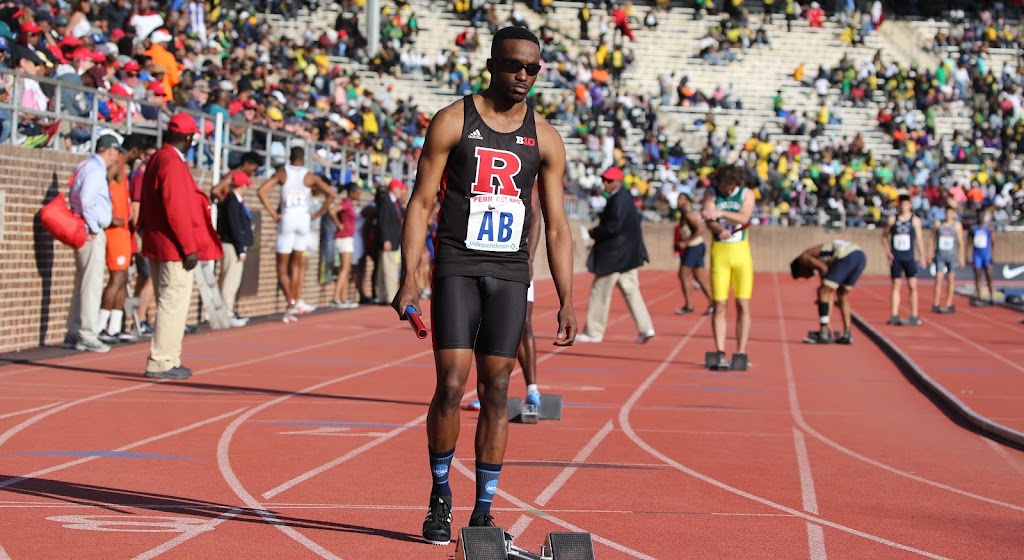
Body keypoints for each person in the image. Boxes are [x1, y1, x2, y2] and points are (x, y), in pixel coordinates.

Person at [390, 26, 577, 546]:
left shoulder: (547, 137)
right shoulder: (453, 121)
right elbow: (421, 202)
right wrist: (410, 277)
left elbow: (558, 225)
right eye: (515, 66)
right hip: (458, 264)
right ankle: (440, 495)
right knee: (451, 385)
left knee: (497, 390)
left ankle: (484, 510)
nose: (524, 77)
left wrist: (565, 298)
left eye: (534, 69)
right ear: (492, 65)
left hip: (512, 272)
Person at [140, 114, 223, 380]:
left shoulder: (159, 158)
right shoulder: (172, 163)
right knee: (173, 301)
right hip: (173, 245)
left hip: (159, 241)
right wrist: (188, 247)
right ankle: (162, 360)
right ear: (188, 137)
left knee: (169, 299)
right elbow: (176, 208)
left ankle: (168, 357)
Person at [468, 199, 543, 412]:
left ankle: (533, 390)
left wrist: (529, 257)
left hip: (515, 261)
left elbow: (536, 215)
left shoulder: (526, 170)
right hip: (482, 259)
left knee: (524, 324)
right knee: (483, 327)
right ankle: (487, 392)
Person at [575, 166, 655, 344]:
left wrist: (592, 232)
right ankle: (646, 327)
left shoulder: (618, 199)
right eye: (604, 179)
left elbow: (614, 227)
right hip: (627, 256)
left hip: (614, 256)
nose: (605, 183)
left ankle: (594, 332)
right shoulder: (625, 198)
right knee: (632, 291)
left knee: (600, 291)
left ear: (618, 181)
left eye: (609, 180)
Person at [256, 146, 335, 321]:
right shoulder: (309, 176)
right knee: (297, 264)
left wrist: (273, 213)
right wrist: (318, 214)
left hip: (288, 218)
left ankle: (291, 301)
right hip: (304, 219)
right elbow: (331, 194)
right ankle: (296, 300)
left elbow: (261, 191)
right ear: (304, 159)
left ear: (289, 157)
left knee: (282, 266)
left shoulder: (282, 173)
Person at [64, 134, 123, 353]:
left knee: (82, 283)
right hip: (90, 232)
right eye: (116, 152)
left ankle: (74, 330)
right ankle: (87, 333)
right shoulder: (96, 169)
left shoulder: (85, 165)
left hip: (84, 228)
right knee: (91, 284)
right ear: (110, 150)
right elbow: (87, 201)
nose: (116, 157)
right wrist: (94, 227)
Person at [701, 164, 755, 370]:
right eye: (726, 186)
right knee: (720, 304)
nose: (729, 190)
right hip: (720, 253)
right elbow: (708, 216)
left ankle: (740, 350)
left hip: (741, 254)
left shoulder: (746, 194)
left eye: (732, 187)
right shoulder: (711, 192)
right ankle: (720, 349)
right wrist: (717, 226)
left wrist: (720, 212)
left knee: (742, 303)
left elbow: (744, 217)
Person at [97, 134, 145, 344]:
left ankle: (115, 327)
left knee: (123, 278)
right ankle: (100, 326)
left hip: (124, 230)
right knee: (117, 278)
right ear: (133, 151)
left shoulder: (123, 170)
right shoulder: (116, 165)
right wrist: (108, 216)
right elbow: (101, 184)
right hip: (116, 230)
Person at [791, 240, 867, 344]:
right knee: (842, 295)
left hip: (846, 256)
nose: (808, 277)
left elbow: (823, 269)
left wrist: (822, 294)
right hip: (860, 256)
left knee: (822, 291)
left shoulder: (803, 258)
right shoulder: (819, 255)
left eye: (803, 276)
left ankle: (823, 332)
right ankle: (847, 334)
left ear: (800, 269)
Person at [217, 171, 255, 327]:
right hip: (232, 245)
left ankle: (226, 310)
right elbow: (235, 227)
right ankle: (227, 313)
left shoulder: (235, 201)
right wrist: (240, 249)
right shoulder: (232, 202)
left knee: (228, 280)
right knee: (230, 281)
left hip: (233, 244)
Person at [882, 193, 926, 325]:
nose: (903, 207)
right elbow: (884, 237)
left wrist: (922, 256)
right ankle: (894, 314)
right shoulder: (892, 220)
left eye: (906, 204)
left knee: (913, 286)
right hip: (897, 257)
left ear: (910, 206)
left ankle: (914, 314)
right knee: (896, 285)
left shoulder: (915, 220)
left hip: (909, 257)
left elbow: (919, 239)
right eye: (901, 205)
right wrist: (888, 252)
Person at [674, 192, 713, 316]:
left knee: (683, 274)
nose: (679, 201)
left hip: (694, 247)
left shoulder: (688, 214)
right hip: (696, 246)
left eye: (682, 198)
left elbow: (700, 229)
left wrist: (686, 242)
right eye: (678, 198)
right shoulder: (683, 214)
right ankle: (714, 303)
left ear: (687, 201)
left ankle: (689, 305)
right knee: (699, 278)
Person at [375, 178, 407, 306]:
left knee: (384, 269)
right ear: (394, 188)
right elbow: (383, 222)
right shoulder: (386, 202)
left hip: (393, 240)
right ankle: (390, 296)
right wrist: (386, 239)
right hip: (388, 241)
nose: (401, 192)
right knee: (389, 269)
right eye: (400, 189)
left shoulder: (394, 203)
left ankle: (383, 295)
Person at [329, 182, 360, 309]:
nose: (359, 195)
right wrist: (338, 224)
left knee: (346, 269)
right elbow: (332, 211)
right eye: (358, 192)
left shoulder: (349, 203)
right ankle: (335, 297)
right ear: (352, 192)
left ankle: (343, 297)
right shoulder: (346, 202)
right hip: (344, 237)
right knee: (345, 268)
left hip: (347, 237)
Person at [931, 206, 964, 314]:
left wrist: (961, 257)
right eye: (947, 212)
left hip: (952, 256)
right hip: (940, 255)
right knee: (939, 278)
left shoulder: (957, 226)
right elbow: (932, 239)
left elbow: (960, 242)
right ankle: (936, 303)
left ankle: (949, 303)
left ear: (954, 214)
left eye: (951, 212)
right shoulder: (939, 224)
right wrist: (929, 253)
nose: (949, 214)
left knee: (951, 280)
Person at [969, 210, 995, 307]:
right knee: (977, 277)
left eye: (982, 216)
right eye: (979, 216)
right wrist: (968, 255)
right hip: (977, 255)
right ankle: (979, 296)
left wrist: (993, 255)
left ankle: (991, 297)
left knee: (989, 277)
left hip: (986, 255)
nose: (980, 218)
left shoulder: (988, 228)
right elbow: (969, 242)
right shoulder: (973, 229)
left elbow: (992, 242)